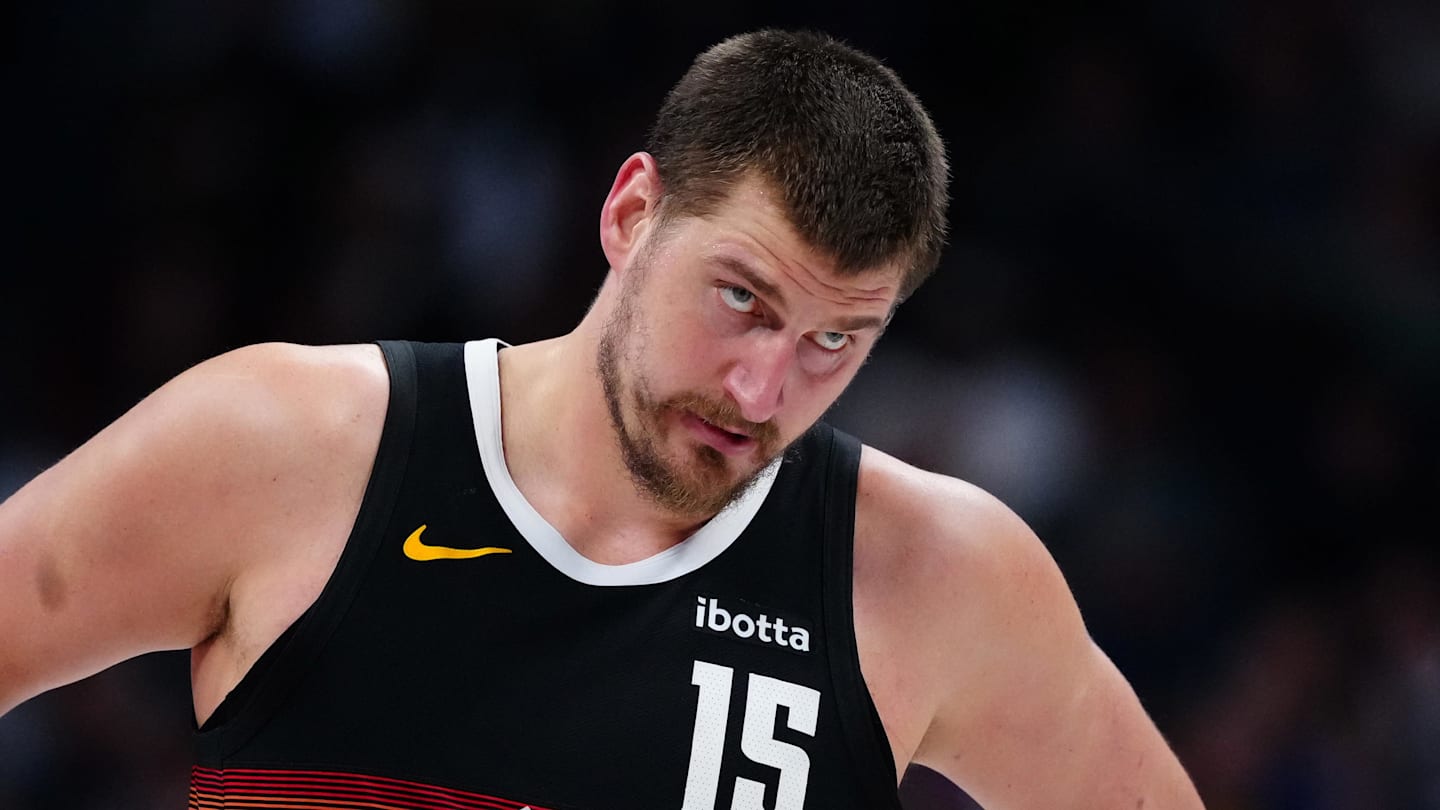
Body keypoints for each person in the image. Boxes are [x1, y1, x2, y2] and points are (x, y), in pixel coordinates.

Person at [0, 29, 1203, 810]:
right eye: (741, 299)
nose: (761, 392)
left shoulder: (934, 575)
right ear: (632, 214)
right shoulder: (290, 448)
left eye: (836, 342)